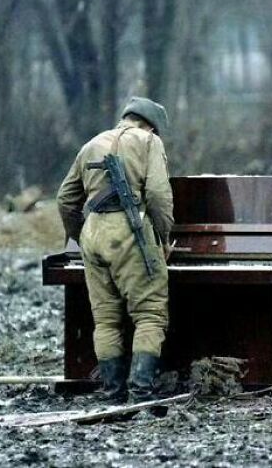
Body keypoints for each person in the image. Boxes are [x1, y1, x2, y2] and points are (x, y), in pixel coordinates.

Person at [57, 97, 173, 404]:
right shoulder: (149, 142)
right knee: (149, 314)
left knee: (106, 320)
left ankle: (112, 394)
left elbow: (65, 200)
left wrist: (80, 237)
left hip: (93, 233)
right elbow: (159, 196)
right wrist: (162, 239)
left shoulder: (91, 144)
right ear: (151, 125)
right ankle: (141, 392)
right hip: (130, 231)